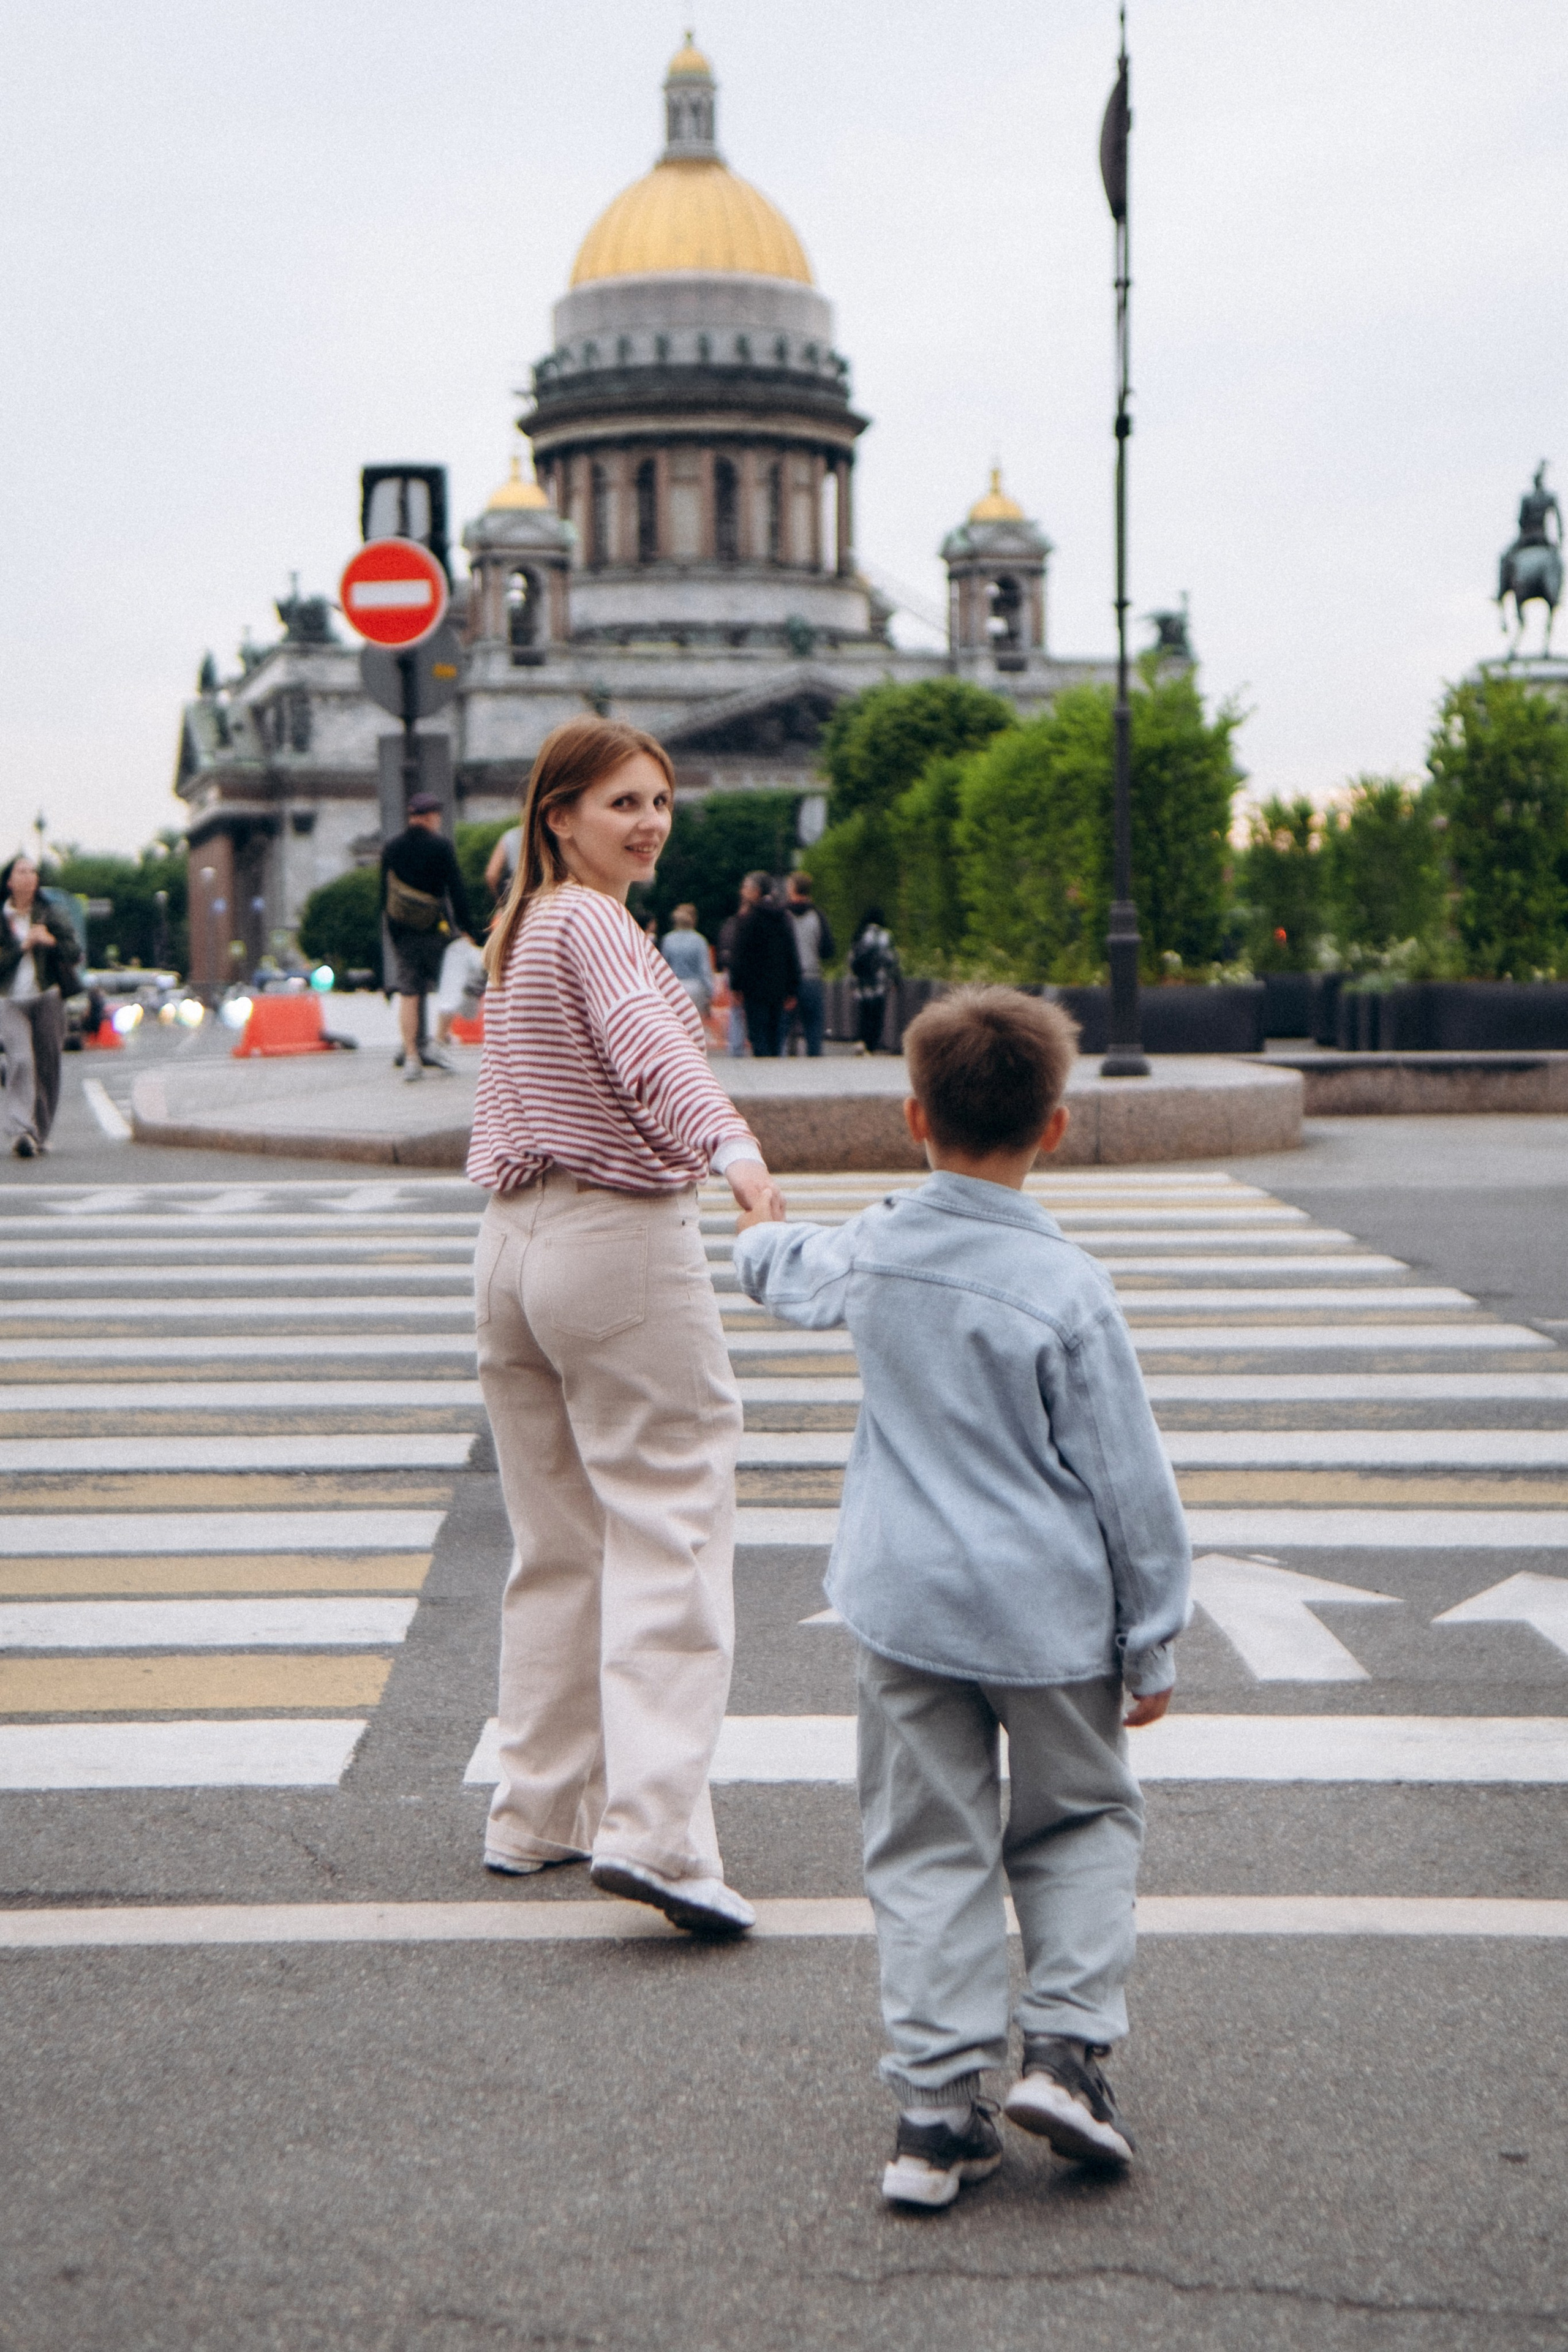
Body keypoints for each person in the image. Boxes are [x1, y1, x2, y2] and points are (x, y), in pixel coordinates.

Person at [732, 987, 1190, 2209]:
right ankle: (1066, 2054)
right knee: (1080, 1820)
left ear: (911, 1118)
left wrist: (756, 1225)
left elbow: (788, 1271)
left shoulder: (878, 1242)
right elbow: (1128, 1482)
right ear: (1054, 1128)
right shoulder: (1068, 1287)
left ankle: (934, 2118)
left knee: (925, 1846)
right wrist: (1149, 1643)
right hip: (1046, 1618)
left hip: (905, 1610)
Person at [468, 715, 786, 1938]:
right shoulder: (596, 924)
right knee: (673, 1523)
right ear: (558, 817)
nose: (649, 822)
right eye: (622, 805)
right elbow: (653, 1051)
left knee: (556, 1542)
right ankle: (655, 1831)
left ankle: (535, 1808)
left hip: (509, 1247)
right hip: (614, 1240)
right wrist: (736, 1152)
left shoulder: (523, 928)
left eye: (658, 801)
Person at [380, 793, 480, 1080]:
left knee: (409, 993)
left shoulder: (392, 848)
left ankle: (412, 1057)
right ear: (428, 817)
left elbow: (384, 894)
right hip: (437, 932)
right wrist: (468, 930)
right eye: (436, 816)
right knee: (456, 981)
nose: (438, 821)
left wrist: (392, 934)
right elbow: (456, 891)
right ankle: (438, 1040)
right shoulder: (440, 847)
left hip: (404, 934)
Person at [1, 853, 81, 1158]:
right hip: (10, 1001)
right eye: (22, 871)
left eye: (33, 872)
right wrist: (21, 947)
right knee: (21, 1060)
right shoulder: (3, 920)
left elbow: (74, 952)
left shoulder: (51, 913)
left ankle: (39, 1132)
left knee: (49, 1065)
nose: (29, 876)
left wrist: (49, 940)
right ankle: (21, 1130)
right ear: (10, 881)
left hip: (47, 996)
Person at [727, 870, 801, 1059]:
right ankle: (775, 1072)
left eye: (746, 887)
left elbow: (739, 955)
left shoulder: (748, 919)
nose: (742, 891)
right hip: (779, 986)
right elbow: (792, 953)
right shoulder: (784, 918)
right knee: (775, 1033)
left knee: (758, 1034)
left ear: (756, 891)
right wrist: (793, 989)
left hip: (754, 988)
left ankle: (763, 1075)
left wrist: (736, 985)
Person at [783, 872, 834, 1057]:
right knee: (813, 1027)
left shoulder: (783, 914)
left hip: (788, 979)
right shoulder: (818, 915)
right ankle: (814, 1066)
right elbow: (828, 949)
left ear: (792, 889)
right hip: (812, 977)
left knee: (783, 1027)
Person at [850, 908, 898, 1054]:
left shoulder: (860, 934)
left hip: (862, 983)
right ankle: (872, 1045)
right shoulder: (885, 936)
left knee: (863, 1013)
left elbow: (852, 960)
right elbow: (892, 960)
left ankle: (861, 1041)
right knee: (877, 1014)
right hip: (880, 983)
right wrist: (895, 980)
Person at [659, 903, 715, 1017]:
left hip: (674, 988)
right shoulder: (699, 940)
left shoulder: (668, 940)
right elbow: (704, 969)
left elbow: (664, 967)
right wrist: (710, 992)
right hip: (695, 988)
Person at [715, 888, 748, 1057]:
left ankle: (736, 1047)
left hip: (732, 970)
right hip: (742, 971)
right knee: (739, 1010)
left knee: (736, 1011)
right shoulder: (741, 925)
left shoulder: (730, 925)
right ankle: (737, 1045)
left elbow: (723, 949)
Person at [484, 821, 522, 905]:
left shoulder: (511, 836)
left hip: (514, 894)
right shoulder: (550, 836)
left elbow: (491, 875)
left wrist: (500, 900)